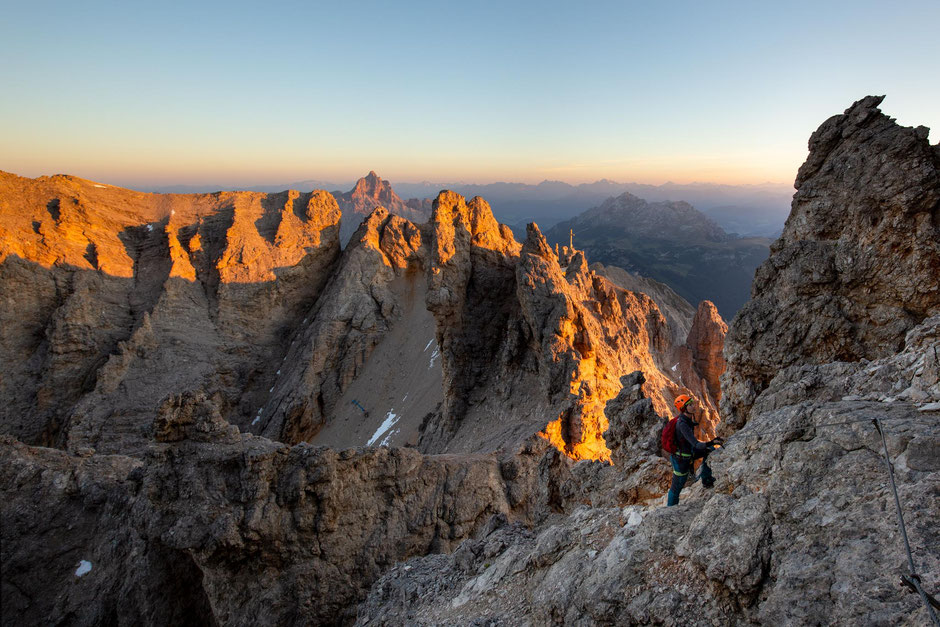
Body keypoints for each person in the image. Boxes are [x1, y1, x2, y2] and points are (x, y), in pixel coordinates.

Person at [667, 395, 721, 506]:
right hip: (681, 460)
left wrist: (710, 444)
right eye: (690, 405)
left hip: (688, 454)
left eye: (692, 403)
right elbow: (696, 444)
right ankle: (670, 508)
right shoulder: (682, 424)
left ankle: (706, 479)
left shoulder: (688, 419)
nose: (693, 406)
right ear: (684, 408)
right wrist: (712, 442)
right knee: (677, 487)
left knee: (709, 450)